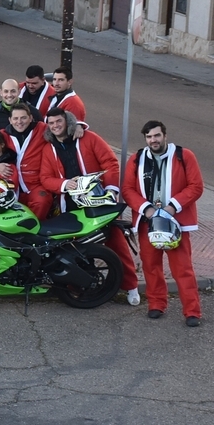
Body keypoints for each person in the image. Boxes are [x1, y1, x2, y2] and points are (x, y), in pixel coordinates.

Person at [39, 108, 139, 297]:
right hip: (69, 206)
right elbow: (45, 178)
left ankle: (131, 286)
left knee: (116, 243)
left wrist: (111, 191)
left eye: (58, 122)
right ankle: (79, 288)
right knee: (75, 248)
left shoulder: (89, 138)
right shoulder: (48, 148)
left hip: (98, 202)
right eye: (51, 123)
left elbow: (110, 163)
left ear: (67, 121)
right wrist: (64, 184)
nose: (55, 126)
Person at [122, 120, 204, 325]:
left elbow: (196, 186)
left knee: (182, 268)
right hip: (147, 222)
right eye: (149, 137)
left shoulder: (185, 156)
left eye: (157, 136)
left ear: (165, 135)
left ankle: (192, 311)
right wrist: (146, 209)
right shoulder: (137, 159)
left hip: (176, 222)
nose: (153, 140)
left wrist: (172, 207)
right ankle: (156, 304)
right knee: (151, 266)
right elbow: (127, 190)